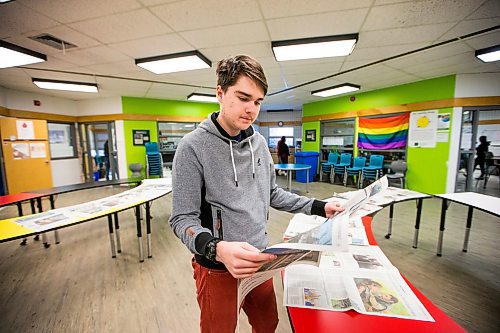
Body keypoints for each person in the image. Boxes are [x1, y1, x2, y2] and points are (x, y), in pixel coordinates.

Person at [168, 55, 344, 333]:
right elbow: (181, 220)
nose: (251, 109)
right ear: (220, 93)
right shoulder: (192, 148)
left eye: (258, 101)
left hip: (260, 258)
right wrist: (216, 248)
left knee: (267, 323)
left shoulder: (259, 143)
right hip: (216, 266)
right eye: (243, 97)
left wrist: (320, 206)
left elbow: (272, 193)